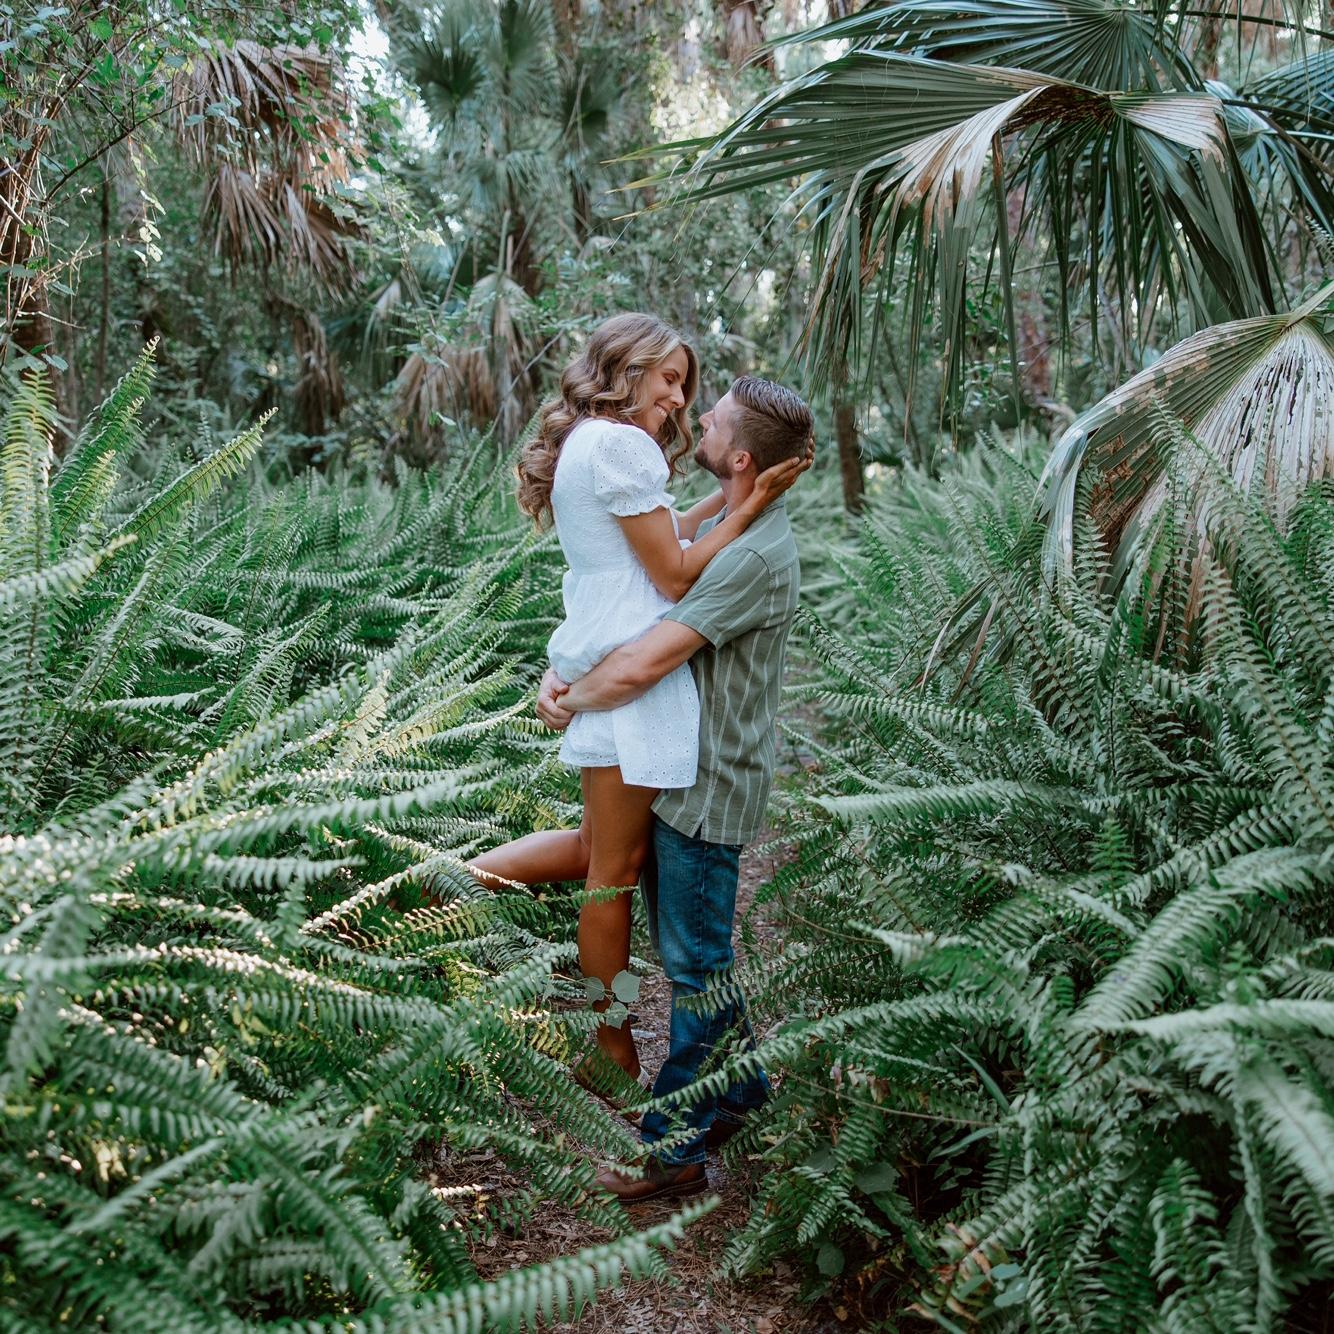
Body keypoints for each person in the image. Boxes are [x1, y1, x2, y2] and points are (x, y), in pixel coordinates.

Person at [466, 314, 805, 1087]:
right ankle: (610, 1038)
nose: (681, 401)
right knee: (611, 874)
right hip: (631, 669)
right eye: (669, 380)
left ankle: (439, 883)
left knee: (596, 849)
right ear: (628, 368)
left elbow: (655, 540)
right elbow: (676, 575)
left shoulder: (592, 439)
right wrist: (746, 513)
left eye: (686, 385)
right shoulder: (621, 445)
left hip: (607, 645)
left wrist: (722, 512)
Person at [536, 374, 815, 1202]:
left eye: (713, 414)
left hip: (710, 789)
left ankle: (672, 1151)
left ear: (736, 455)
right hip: (681, 773)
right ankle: (742, 1092)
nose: (693, 413)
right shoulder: (741, 522)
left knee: (698, 972)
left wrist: (564, 698)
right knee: (695, 960)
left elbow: (650, 655)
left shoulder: (755, 553)